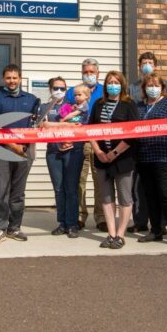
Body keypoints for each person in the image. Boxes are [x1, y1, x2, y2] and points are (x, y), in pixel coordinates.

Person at [0, 64, 40, 245]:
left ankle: (14, 227)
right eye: (8, 78)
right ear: (3, 79)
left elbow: (37, 124)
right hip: (1, 151)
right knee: (1, 192)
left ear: (20, 78)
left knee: (18, 193)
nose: (11, 81)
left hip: (24, 152)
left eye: (15, 78)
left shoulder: (32, 100)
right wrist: (13, 145)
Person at [89, 71, 140, 249]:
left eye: (116, 82)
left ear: (122, 85)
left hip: (123, 158)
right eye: (110, 82)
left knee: (125, 197)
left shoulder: (129, 104)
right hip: (102, 158)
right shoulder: (98, 104)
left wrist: (115, 153)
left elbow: (133, 133)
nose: (113, 85)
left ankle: (120, 234)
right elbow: (90, 130)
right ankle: (111, 233)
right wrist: (98, 151)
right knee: (107, 197)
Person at [135, 73, 167, 249]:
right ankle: (155, 230)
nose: (152, 88)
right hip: (143, 157)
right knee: (150, 195)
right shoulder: (139, 106)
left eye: (156, 85)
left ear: (162, 88)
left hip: (164, 156)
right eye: (149, 85)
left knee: (165, 194)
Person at [127, 51, 167, 233]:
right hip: (140, 145)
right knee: (139, 187)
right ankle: (140, 221)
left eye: (150, 62)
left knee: (162, 188)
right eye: (144, 62)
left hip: (161, 144)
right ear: (139, 66)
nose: (147, 65)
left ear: (155, 66)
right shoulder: (132, 87)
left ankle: (161, 224)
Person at [40, 77, 84, 239]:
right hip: (53, 151)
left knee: (71, 188)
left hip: (73, 151)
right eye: (56, 88)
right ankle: (62, 222)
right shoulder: (44, 107)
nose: (59, 91)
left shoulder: (71, 106)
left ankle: (72, 224)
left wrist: (56, 125)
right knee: (59, 189)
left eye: (62, 88)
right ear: (50, 89)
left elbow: (77, 125)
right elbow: (42, 126)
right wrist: (64, 125)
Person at [65, 58, 105, 231]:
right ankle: (80, 216)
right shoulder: (72, 92)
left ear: (98, 73)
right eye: (86, 72)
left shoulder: (105, 91)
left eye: (92, 72)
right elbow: (64, 115)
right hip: (78, 141)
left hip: (99, 142)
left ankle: (101, 217)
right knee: (79, 181)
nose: (89, 75)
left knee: (100, 180)